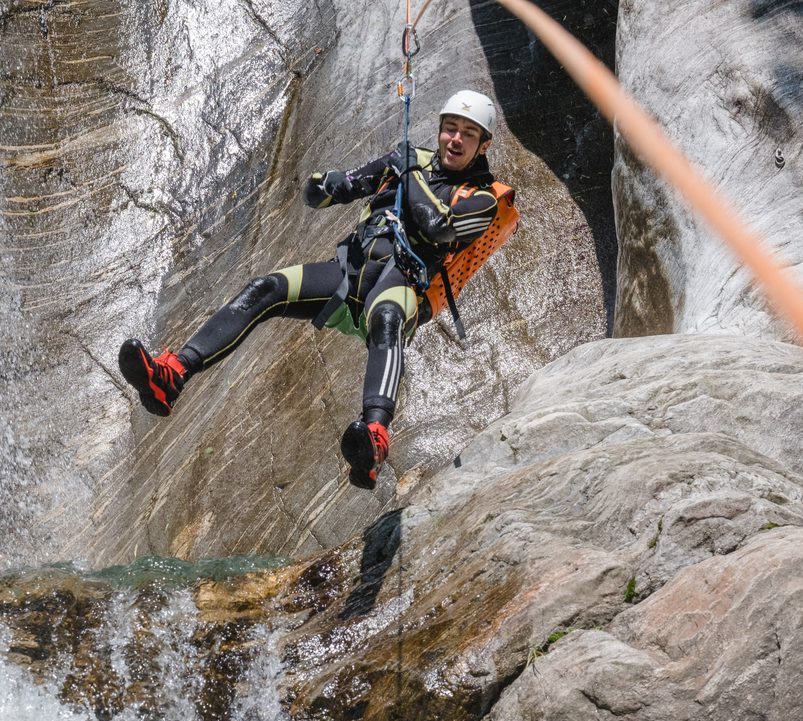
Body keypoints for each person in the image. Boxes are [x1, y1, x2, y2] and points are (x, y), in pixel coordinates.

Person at [119, 89, 514, 490]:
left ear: (484, 145)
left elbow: (435, 225)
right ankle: (172, 375)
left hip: (403, 284)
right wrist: (330, 184)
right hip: (350, 272)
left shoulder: (484, 198)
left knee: (387, 318)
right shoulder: (409, 161)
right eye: (450, 128)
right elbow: (318, 195)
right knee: (266, 288)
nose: (455, 140)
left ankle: (375, 436)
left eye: (468, 133)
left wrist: (407, 170)